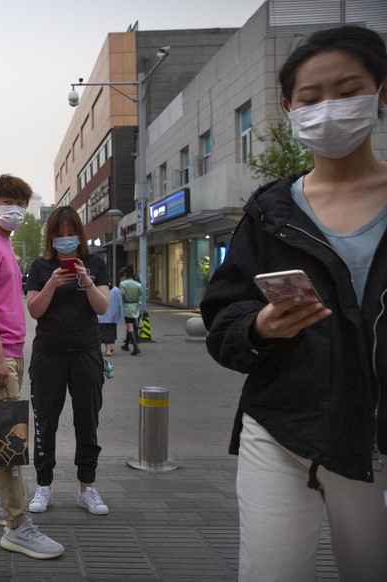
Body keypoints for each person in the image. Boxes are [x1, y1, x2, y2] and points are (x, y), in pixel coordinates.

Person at [200, 25, 387, 582]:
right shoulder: (271, 210)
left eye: (347, 90)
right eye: (310, 98)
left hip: (374, 430)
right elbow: (223, 318)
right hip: (282, 425)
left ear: (381, 93)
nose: (329, 109)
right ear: (289, 108)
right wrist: (259, 325)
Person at [0, 174, 64, 560]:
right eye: (7, 201)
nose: (15, 210)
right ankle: (18, 526)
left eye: (21, 203)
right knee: (8, 437)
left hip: (2, 351)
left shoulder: (2, 243)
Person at [24, 206, 110, 516]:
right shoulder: (40, 267)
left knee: (87, 422)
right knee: (45, 423)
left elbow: (102, 308)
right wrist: (52, 282)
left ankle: (87, 487)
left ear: (79, 234)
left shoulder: (96, 264)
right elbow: (34, 310)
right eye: (58, 234)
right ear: (50, 237)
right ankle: (43, 485)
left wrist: (86, 281)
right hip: (48, 354)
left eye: (69, 232)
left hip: (86, 352)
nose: (64, 239)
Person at [118, 266, 142, 355]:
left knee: (129, 325)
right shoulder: (138, 285)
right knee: (131, 324)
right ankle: (126, 345)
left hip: (127, 307)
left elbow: (121, 297)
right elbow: (140, 299)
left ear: (125, 274)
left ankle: (136, 347)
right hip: (135, 307)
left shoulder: (123, 284)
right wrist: (140, 309)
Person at [98, 282, 124, 357]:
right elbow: (120, 303)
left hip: (101, 316)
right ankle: (109, 349)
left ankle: (106, 350)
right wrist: (120, 315)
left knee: (100, 333)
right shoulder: (116, 290)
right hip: (112, 316)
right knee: (110, 333)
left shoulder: (98, 288)